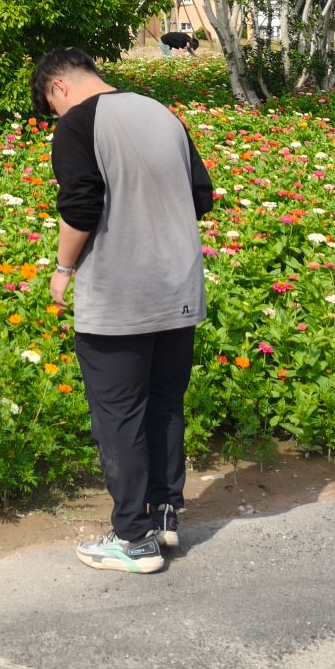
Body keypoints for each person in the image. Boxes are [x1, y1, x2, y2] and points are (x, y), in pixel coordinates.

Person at [34, 46, 213, 575]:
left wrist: (63, 269)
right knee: (165, 404)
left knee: (119, 415)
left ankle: (134, 539)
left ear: (58, 87)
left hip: (119, 295)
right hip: (177, 288)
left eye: (51, 106)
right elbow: (201, 196)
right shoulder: (162, 114)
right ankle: (163, 515)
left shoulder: (77, 124)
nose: (55, 117)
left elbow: (81, 206)